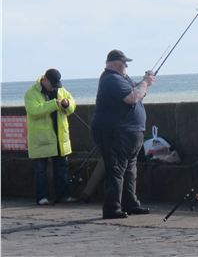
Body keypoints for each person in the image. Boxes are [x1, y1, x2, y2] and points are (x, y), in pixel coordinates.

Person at [92, 49, 156, 219]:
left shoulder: (123, 79)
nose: (126, 66)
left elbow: (138, 93)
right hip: (115, 132)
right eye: (124, 63)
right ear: (115, 64)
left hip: (130, 133)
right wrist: (145, 82)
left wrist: (144, 82)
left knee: (130, 170)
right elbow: (132, 98)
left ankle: (131, 204)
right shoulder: (111, 79)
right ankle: (112, 209)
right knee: (116, 170)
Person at [24, 68, 77, 205]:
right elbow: (34, 111)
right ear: (45, 80)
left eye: (56, 85)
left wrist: (67, 104)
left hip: (59, 137)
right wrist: (54, 104)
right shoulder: (31, 92)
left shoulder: (60, 89)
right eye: (52, 84)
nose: (54, 87)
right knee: (41, 170)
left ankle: (63, 196)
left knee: (61, 168)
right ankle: (42, 197)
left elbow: (72, 105)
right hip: (41, 138)